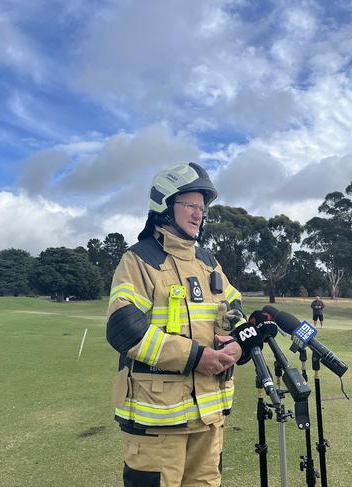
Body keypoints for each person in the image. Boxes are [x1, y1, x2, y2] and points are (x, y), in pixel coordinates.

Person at [106, 162, 244, 487]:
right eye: (191, 205)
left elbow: (231, 306)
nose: (199, 214)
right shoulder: (139, 260)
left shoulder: (208, 261)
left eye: (202, 207)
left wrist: (235, 340)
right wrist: (196, 357)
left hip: (208, 418)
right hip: (158, 421)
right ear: (165, 206)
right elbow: (123, 326)